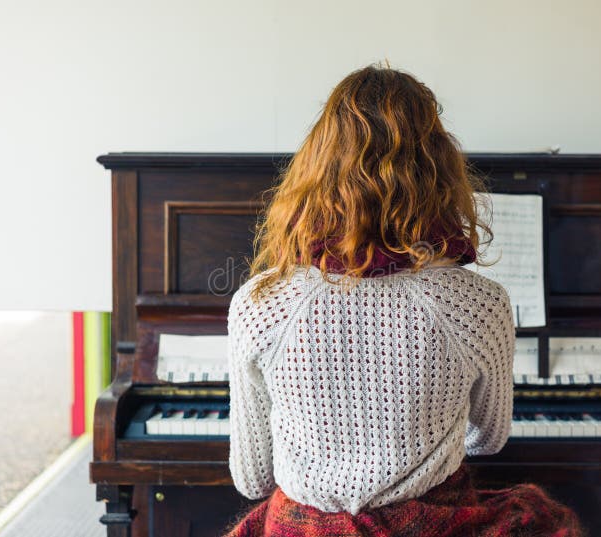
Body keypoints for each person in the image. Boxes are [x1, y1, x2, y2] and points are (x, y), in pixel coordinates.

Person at [224, 64, 582, 537]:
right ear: (438, 170)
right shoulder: (480, 303)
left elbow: (252, 480)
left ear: (315, 169)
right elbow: (489, 440)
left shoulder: (260, 301)